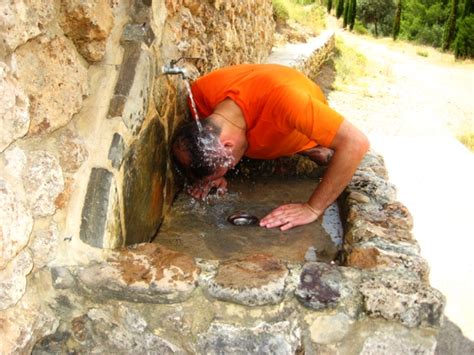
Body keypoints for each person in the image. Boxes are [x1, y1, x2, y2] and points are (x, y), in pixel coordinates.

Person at [172, 63, 369, 231]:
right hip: (268, 122)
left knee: (329, 153)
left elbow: (356, 143)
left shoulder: (288, 101)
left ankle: (308, 149)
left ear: (228, 145)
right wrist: (216, 175)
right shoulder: (199, 95)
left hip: (298, 128)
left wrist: (312, 208)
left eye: (230, 166)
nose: (232, 168)